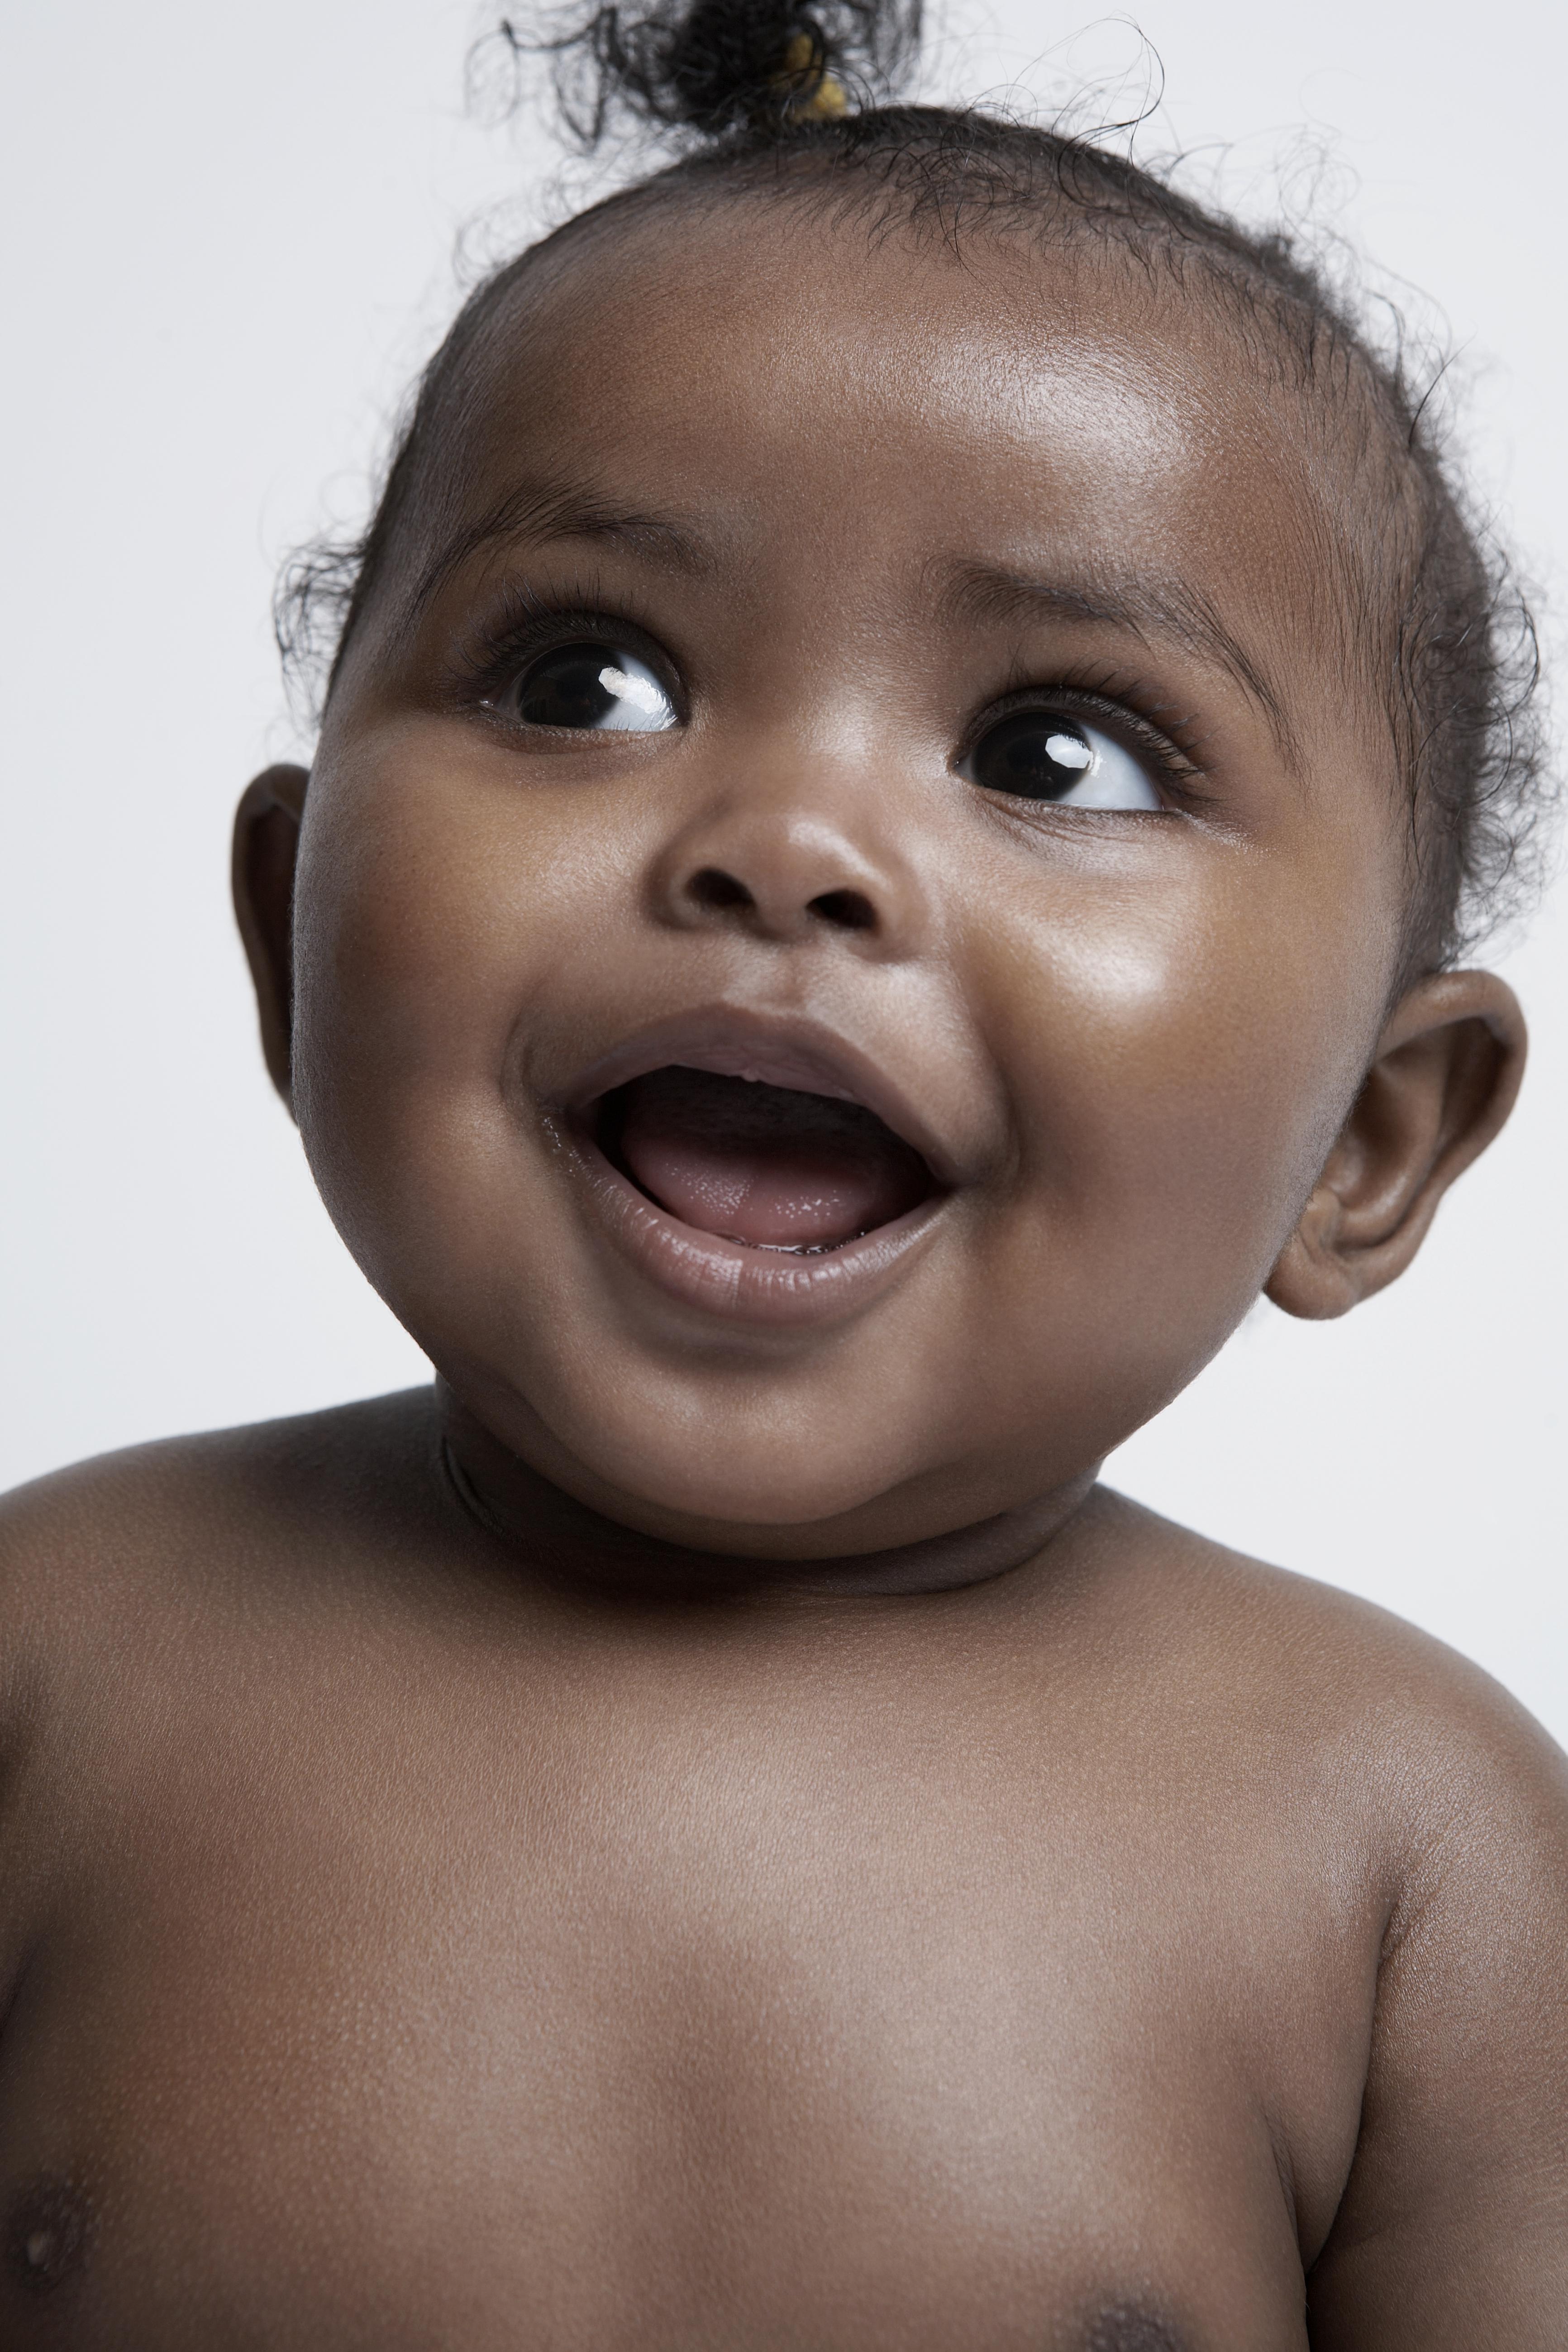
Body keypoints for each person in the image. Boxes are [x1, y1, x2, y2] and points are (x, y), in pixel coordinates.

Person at [1, 0, 1563, 2339]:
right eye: (584, 683)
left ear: (1368, 1140)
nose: (791, 848)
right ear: (284, 933)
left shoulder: (1418, 1869)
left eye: (1061, 748)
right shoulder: (49, 1672)